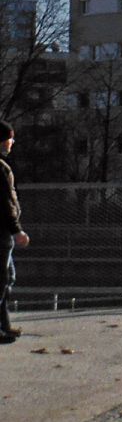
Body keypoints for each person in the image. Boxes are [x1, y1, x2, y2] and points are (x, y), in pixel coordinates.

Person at [0, 120, 29, 344]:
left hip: (4, 233)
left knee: (7, 278)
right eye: (10, 138)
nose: (13, 142)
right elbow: (4, 204)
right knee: (2, 280)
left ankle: (5, 325)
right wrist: (16, 230)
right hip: (1, 233)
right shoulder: (0, 168)